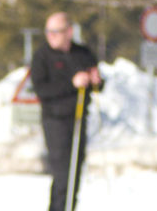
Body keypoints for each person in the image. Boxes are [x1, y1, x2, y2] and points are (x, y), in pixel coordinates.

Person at [28, 12, 102, 211]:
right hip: (55, 120)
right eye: (48, 32)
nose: (51, 36)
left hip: (78, 119)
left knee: (75, 171)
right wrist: (72, 83)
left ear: (69, 32)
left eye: (56, 32)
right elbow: (42, 90)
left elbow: (97, 82)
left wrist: (96, 80)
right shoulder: (42, 56)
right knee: (62, 173)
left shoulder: (82, 53)